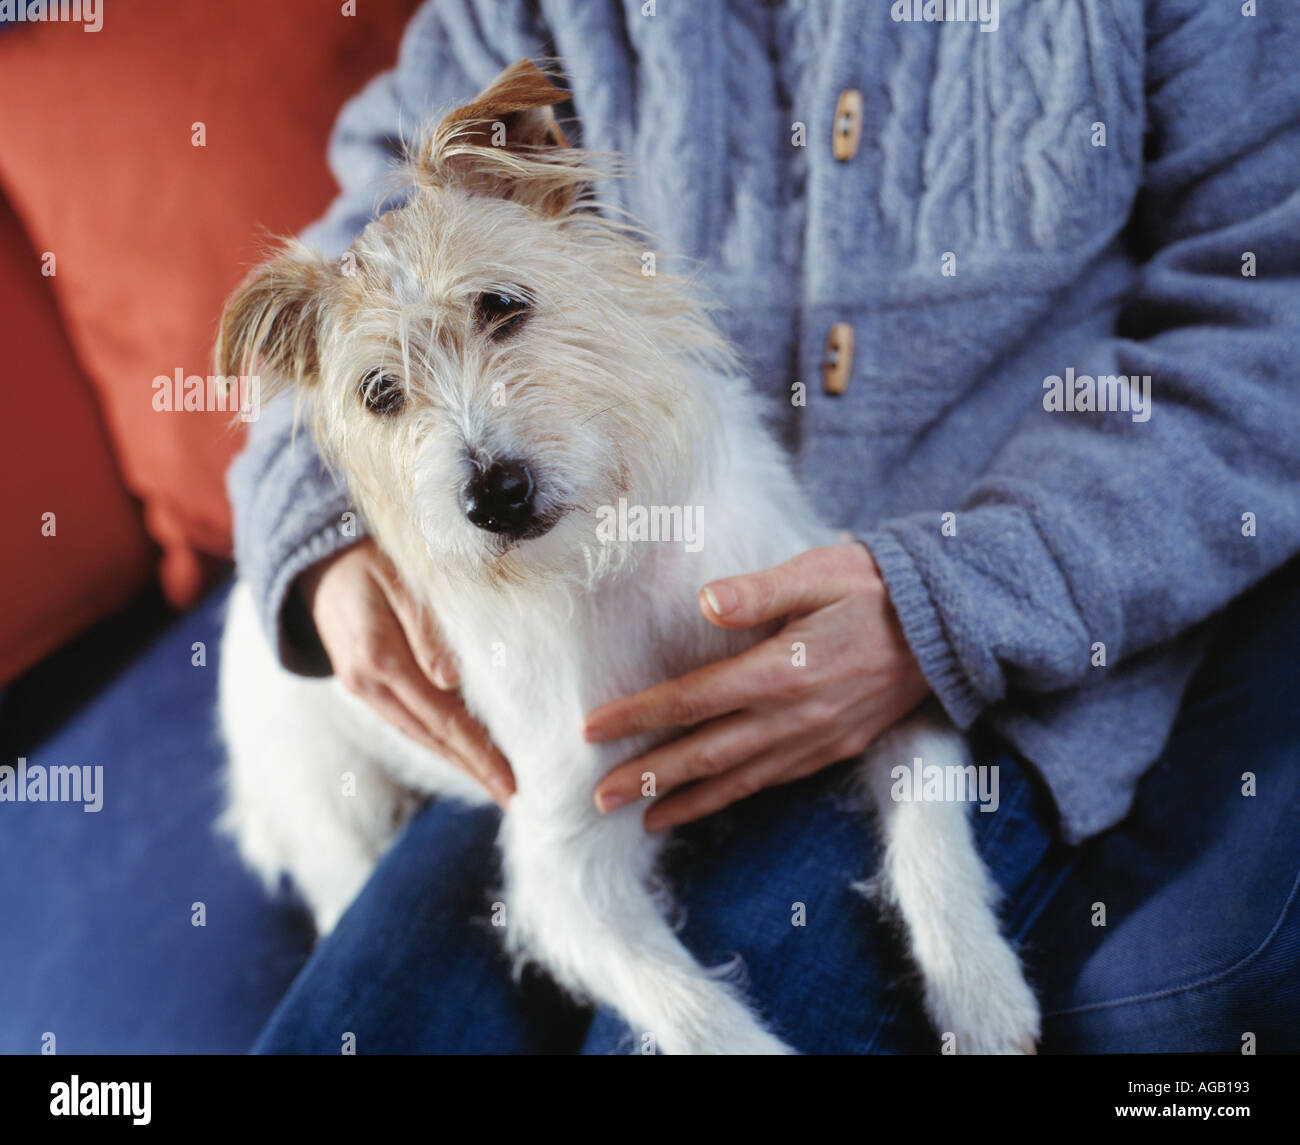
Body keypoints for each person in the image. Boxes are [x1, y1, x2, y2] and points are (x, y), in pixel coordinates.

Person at [229, 0, 1300, 1053]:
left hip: (1003, 647)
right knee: (351, 1030)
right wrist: (319, 534)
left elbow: (1273, 316)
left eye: (504, 313)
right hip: (561, 646)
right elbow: (352, 258)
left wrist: (955, 600)